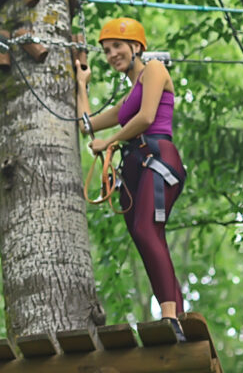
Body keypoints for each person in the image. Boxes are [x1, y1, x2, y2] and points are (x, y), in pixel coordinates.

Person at [75, 18, 188, 341]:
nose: (112, 54)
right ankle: (176, 312)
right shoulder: (127, 99)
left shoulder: (154, 70)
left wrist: (110, 142)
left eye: (118, 47)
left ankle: (169, 316)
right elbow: (87, 126)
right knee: (146, 237)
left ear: (136, 47)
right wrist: (82, 83)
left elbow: (147, 117)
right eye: (107, 50)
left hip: (158, 158)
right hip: (136, 166)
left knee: (144, 229)